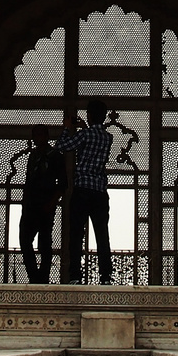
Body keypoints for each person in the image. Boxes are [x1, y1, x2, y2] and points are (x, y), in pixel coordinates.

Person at [56, 98, 114, 285]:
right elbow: (92, 136)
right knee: (102, 234)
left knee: (76, 234)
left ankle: (75, 276)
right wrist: (83, 127)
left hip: (82, 190)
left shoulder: (85, 135)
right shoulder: (107, 137)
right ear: (104, 116)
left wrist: (67, 128)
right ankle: (105, 277)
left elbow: (62, 146)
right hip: (99, 191)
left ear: (89, 115)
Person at [18, 124, 64, 283]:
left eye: (39, 135)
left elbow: (63, 184)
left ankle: (43, 277)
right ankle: (34, 275)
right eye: (34, 135)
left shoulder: (55, 156)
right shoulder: (33, 156)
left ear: (46, 136)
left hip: (46, 205)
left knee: (44, 243)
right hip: (31, 206)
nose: (36, 138)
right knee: (25, 240)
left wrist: (52, 202)